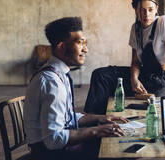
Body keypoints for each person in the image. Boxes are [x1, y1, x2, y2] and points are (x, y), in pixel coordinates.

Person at [24, 17, 128, 160]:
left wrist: (102, 118)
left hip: (57, 148)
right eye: (80, 43)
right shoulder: (51, 82)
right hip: (50, 155)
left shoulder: (60, 74)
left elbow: (68, 117)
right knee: (121, 152)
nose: (86, 49)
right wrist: (97, 130)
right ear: (61, 47)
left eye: (85, 43)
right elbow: (54, 140)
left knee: (117, 144)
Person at [84, 0, 165, 114]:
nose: (146, 14)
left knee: (151, 102)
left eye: (150, 10)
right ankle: (96, 120)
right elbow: (135, 62)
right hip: (145, 74)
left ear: (156, 8)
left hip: (162, 80)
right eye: (142, 10)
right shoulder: (136, 28)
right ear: (136, 10)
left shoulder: (164, 22)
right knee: (101, 75)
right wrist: (134, 79)